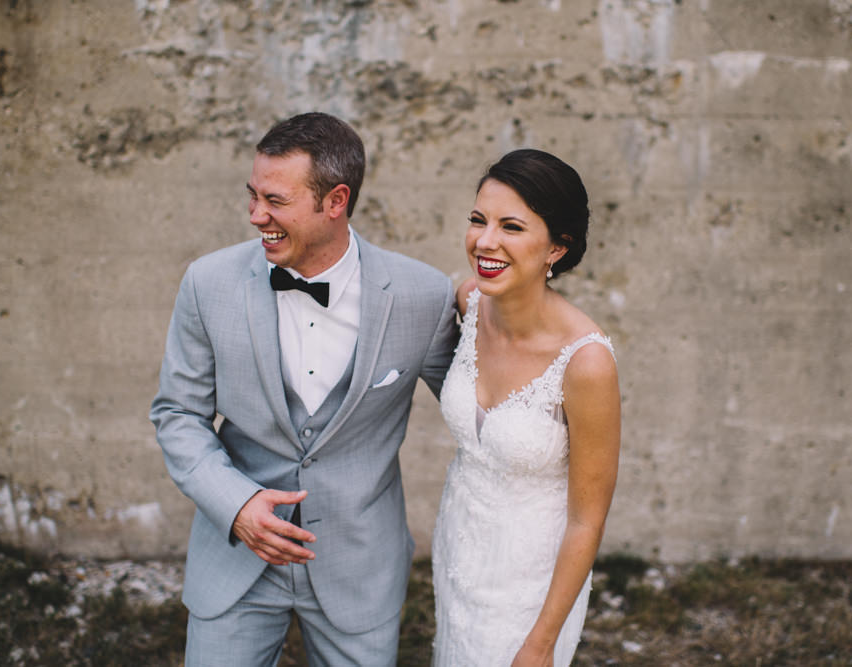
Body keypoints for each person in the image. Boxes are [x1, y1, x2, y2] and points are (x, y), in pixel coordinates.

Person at [150, 112, 458, 666]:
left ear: (335, 201)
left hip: (359, 566)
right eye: (252, 196)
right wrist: (236, 504)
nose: (255, 216)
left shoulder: (423, 296)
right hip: (236, 559)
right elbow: (177, 413)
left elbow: (474, 411)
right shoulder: (207, 283)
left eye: (275, 201)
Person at [431, 149, 621, 666]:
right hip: (459, 551)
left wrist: (540, 641)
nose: (484, 241)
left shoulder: (585, 363)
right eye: (478, 220)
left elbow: (587, 520)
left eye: (511, 226)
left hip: (530, 585)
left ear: (557, 248)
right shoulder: (470, 303)